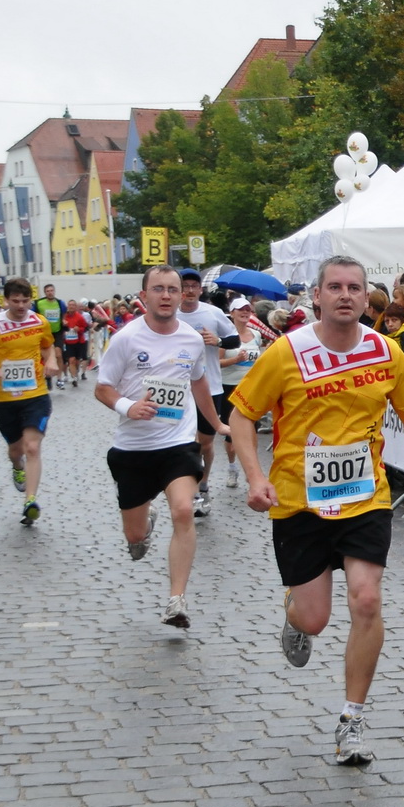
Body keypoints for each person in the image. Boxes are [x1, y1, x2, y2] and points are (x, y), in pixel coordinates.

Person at [228, 254, 404, 766]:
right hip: (298, 502)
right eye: (334, 287)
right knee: (316, 617)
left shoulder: (386, 352)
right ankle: (294, 617)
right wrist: (256, 480)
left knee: (366, 600)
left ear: (366, 296)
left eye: (354, 287)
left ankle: (352, 718)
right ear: (318, 296)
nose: (345, 295)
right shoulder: (286, 353)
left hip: (366, 498)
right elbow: (241, 417)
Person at [95, 266, 226, 627]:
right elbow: (103, 387)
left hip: (177, 444)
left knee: (184, 511)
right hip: (132, 449)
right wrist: (129, 407)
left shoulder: (191, 339)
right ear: (145, 296)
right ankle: (144, 522)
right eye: (159, 289)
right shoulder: (126, 338)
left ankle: (176, 600)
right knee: (135, 536)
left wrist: (214, 423)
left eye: (173, 289)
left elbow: (198, 381)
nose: (167, 295)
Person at [0, 278, 61, 526]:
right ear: (6, 300)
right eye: (15, 301)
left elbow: (48, 347)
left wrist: (51, 361)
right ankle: (17, 466)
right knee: (16, 450)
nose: (21, 306)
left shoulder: (39, 322)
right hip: (4, 398)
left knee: (32, 447)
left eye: (25, 300)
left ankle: (30, 501)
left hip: (36, 395)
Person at [173, 268, 240, 518]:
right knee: (182, 441)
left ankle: (202, 481)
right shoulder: (170, 314)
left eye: (194, 286)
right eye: (185, 286)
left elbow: (235, 340)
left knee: (205, 442)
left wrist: (218, 341)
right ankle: (186, 487)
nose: (189, 291)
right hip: (177, 388)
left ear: (200, 290)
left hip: (210, 386)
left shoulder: (212, 313)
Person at [216, 297, 265, 488]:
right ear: (232, 313)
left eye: (248, 310)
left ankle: (251, 471)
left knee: (253, 430)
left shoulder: (256, 335)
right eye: (240, 310)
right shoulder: (225, 336)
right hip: (229, 387)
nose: (245, 313)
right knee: (232, 435)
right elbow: (216, 363)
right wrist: (235, 360)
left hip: (251, 388)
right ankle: (232, 466)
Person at [33, 283, 67, 389]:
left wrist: (64, 322)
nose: (50, 292)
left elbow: (64, 315)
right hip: (44, 333)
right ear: (45, 293)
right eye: (48, 291)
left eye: (52, 290)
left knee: (58, 355)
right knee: (45, 356)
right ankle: (47, 376)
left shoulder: (60, 303)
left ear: (54, 291)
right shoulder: (39, 303)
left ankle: (59, 378)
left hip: (57, 332)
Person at [58, 299, 92, 387]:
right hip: (68, 342)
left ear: (75, 307)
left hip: (79, 342)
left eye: (73, 305)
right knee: (71, 360)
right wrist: (63, 326)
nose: (71, 307)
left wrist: (79, 329)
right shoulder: (64, 317)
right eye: (70, 305)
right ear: (67, 307)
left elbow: (85, 328)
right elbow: (59, 328)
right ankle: (74, 378)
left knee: (77, 361)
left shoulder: (80, 317)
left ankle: (75, 373)